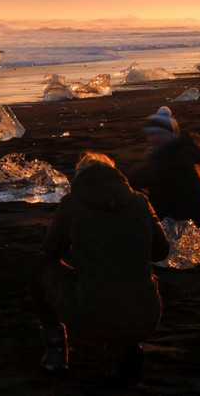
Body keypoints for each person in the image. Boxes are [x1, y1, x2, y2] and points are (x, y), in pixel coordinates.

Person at [30, 152, 169, 384]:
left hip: (90, 315)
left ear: (81, 178)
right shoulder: (139, 201)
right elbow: (161, 252)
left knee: (39, 271)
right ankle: (123, 347)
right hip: (146, 317)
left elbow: (51, 254)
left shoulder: (72, 204)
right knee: (127, 274)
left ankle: (55, 351)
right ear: (115, 175)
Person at [127, 106, 200, 228]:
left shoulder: (174, 156)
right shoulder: (177, 151)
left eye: (157, 134)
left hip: (184, 221)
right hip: (183, 213)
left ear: (170, 134)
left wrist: (112, 174)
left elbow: (142, 177)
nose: (152, 139)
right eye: (150, 134)